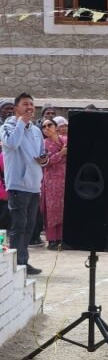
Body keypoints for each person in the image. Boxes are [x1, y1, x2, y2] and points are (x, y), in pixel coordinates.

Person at [1, 93, 45, 275]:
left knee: (29, 226)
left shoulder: (36, 131)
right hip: (17, 185)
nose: (30, 108)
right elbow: (12, 144)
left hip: (34, 185)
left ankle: (23, 261)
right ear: (16, 108)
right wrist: (21, 123)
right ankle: (16, 265)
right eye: (25, 104)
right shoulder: (7, 127)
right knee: (19, 226)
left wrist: (44, 160)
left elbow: (42, 152)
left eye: (32, 104)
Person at [40, 119, 68, 250]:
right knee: (51, 210)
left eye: (49, 125)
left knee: (63, 209)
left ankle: (63, 238)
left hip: (65, 180)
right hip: (51, 181)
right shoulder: (43, 143)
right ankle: (52, 240)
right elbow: (45, 162)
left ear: (56, 127)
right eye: (43, 127)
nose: (46, 128)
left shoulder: (65, 140)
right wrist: (61, 153)